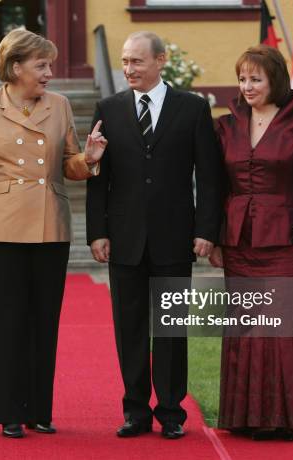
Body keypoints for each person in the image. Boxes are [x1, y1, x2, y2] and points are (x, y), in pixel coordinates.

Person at [0, 28, 107, 439]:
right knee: (6, 322)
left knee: (45, 321)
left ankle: (38, 410)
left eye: (50, 65)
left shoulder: (59, 105)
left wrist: (90, 158)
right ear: (15, 67)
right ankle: (9, 410)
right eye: (41, 65)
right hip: (0, 227)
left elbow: (69, 164)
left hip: (50, 226)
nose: (48, 73)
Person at [86, 31, 223, 439]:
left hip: (175, 237)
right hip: (124, 238)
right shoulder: (108, 108)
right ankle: (135, 411)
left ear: (160, 61)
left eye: (137, 61)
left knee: (170, 327)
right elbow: (99, 179)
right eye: (125, 62)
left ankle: (170, 412)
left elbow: (210, 176)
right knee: (128, 328)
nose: (129, 69)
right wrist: (97, 232)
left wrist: (206, 230)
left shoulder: (193, 108)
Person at [209, 45, 293, 439]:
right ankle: (246, 417)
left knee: (283, 325)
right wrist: (215, 238)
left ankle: (291, 418)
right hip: (239, 244)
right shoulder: (226, 124)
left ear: (275, 80)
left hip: (287, 242)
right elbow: (216, 187)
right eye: (242, 79)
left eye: (255, 79)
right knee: (247, 327)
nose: (247, 87)